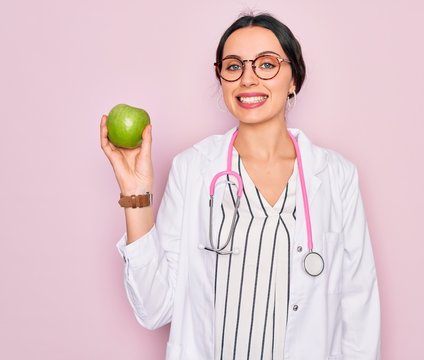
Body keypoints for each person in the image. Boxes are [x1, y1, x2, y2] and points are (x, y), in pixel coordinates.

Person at [100, 12, 380, 360]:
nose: (247, 78)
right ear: (222, 80)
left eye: (266, 64)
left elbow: (359, 310)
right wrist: (135, 193)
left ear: (294, 79)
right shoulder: (192, 169)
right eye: (233, 67)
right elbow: (154, 308)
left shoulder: (337, 177)